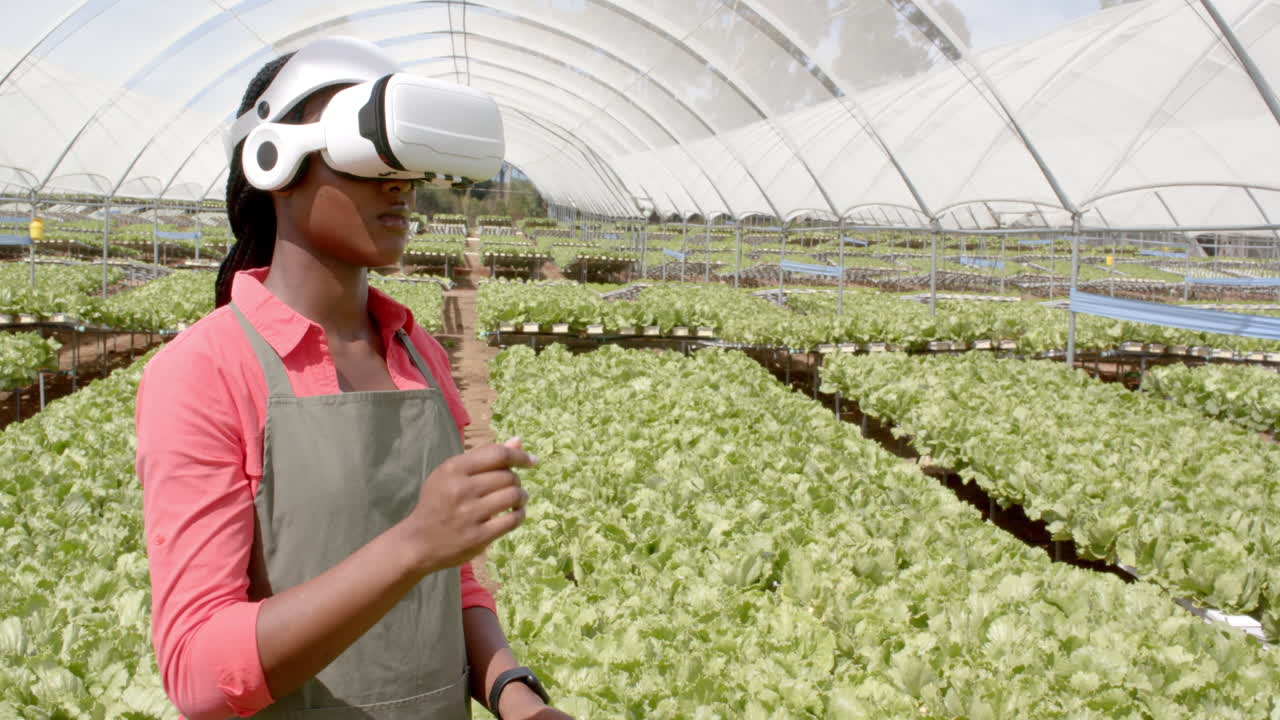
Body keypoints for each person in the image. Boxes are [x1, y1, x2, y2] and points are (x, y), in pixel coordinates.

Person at [135, 36, 572, 720]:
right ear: (276, 163)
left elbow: (452, 584)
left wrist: (512, 694)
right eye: (363, 154)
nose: (400, 185)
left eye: (403, 163)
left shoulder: (416, 350)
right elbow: (197, 673)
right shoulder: (203, 372)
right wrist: (412, 543)